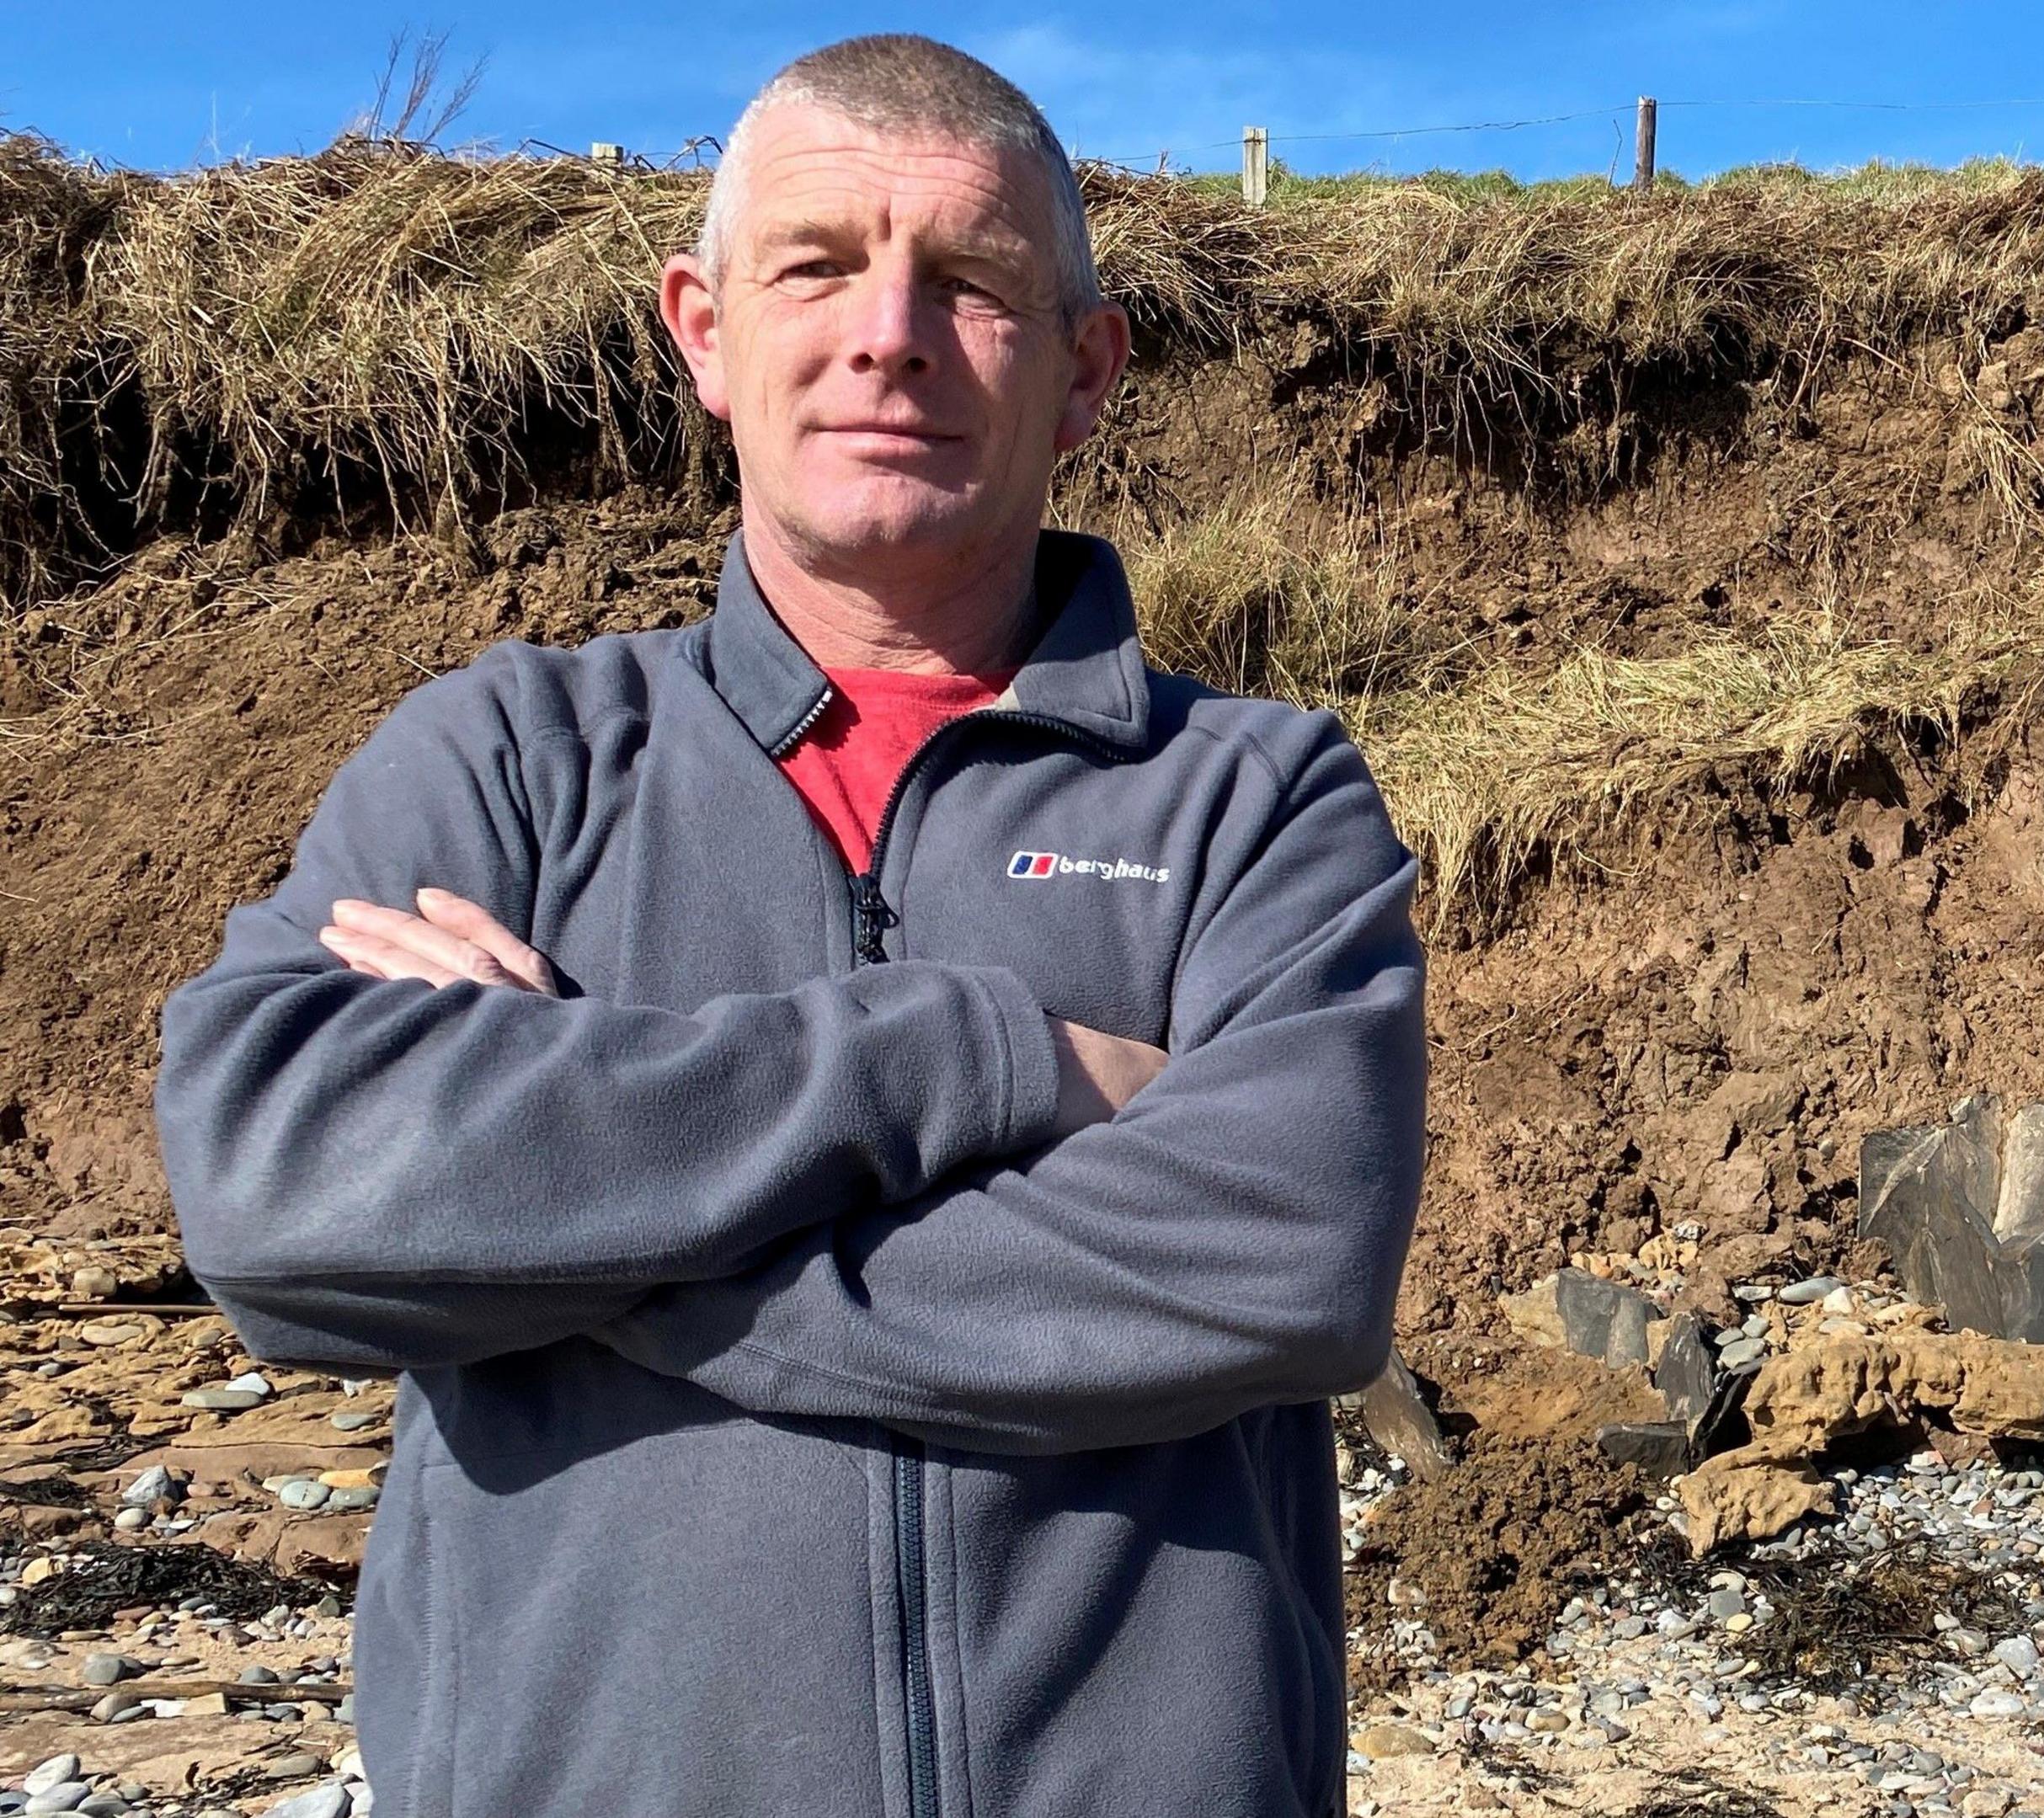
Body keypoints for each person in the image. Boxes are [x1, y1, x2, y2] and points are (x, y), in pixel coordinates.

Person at [152, 35, 1424, 1818]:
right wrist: (978, 1054)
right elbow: (283, 1187)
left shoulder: (1258, 798)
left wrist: (566, 1249)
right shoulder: (505, 759)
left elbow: (1286, 1256)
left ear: (1086, 369)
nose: (889, 331)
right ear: (701, 331)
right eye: (817, 264)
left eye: (973, 283)